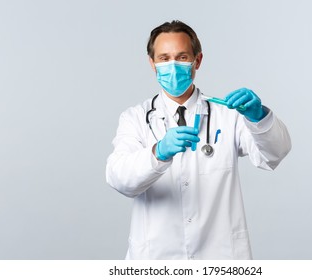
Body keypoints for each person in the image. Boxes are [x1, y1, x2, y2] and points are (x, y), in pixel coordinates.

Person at [106, 20, 291, 260]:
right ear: (152, 64)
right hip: (155, 258)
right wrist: (157, 152)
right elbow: (119, 179)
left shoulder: (229, 114)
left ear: (198, 61)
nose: (173, 65)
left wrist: (259, 118)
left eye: (182, 57)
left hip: (220, 258)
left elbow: (274, 155)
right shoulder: (136, 118)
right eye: (164, 58)